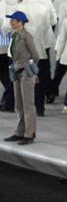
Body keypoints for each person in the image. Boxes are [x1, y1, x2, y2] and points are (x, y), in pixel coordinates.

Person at [4, 11, 39, 145]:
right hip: (16, 70)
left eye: (13, 20)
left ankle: (30, 133)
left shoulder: (26, 36)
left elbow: (35, 55)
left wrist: (30, 70)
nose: (10, 22)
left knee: (28, 104)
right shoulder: (14, 35)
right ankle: (20, 131)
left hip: (26, 72)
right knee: (19, 104)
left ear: (20, 22)